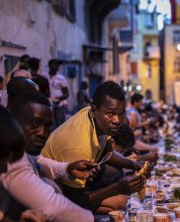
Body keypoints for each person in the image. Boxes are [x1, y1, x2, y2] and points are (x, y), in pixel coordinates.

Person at [41, 81, 146, 213]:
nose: (117, 120)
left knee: (116, 173)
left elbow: (107, 153)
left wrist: (135, 164)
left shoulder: (95, 118)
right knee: (120, 202)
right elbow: (75, 199)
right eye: (111, 113)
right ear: (95, 111)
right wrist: (116, 189)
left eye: (120, 114)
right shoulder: (79, 145)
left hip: (75, 179)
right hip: (58, 189)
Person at [4, 92, 96, 221]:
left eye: (47, 126)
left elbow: (38, 160)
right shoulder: (10, 154)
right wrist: (91, 219)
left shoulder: (24, 152)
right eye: (34, 124)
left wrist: (68, 168)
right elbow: (52, 206)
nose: (42, 133)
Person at [46, 59, 69, 128]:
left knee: (60, 127)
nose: (57, 66)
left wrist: (60, 98)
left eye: (58, 65)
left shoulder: (61, 78)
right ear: (50, 65)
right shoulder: (44, 76)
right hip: (47, 106)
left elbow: (67, 93)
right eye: (56, 64)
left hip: (59, 106)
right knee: (49, 126)